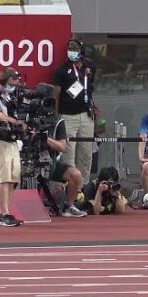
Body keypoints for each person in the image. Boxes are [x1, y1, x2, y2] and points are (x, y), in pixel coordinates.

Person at [0, 68, 27, 226]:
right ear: (3, 81)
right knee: (5, 176)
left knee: (14, 176)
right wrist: (14, 121)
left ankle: (7, 210)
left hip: (12, 140)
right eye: (11, 83)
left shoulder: (10, 96)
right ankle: (3, 213)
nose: (14, 86)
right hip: (0, 140)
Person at [52, 38, 95, 182]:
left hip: (86, 115)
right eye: (70, 49)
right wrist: (56, 116)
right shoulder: (61, 70)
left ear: (81, 51)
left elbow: (90, 89)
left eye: (75, 49)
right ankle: (68, 187)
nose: (72, 52)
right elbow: (56, 95)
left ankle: (83, 188)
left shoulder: (89, 68)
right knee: (68, 154)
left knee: (86, 154)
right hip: (68, 117)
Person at [40, 115, 88, 217]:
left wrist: (45, 138)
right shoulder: (26, 118)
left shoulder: (58, 121)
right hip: (29, 161)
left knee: (76, 174)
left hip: (50, 163)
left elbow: (62, 146)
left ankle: (68, 207)